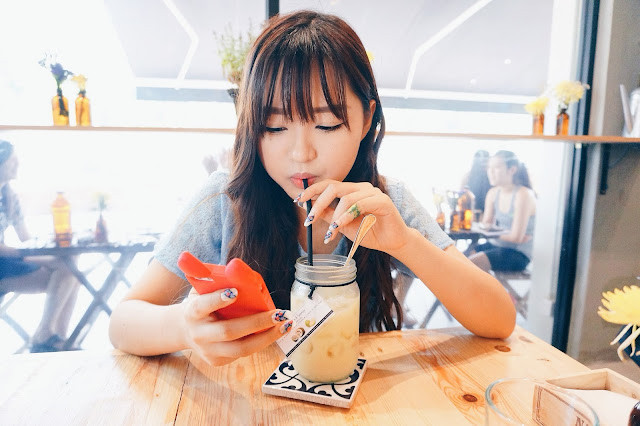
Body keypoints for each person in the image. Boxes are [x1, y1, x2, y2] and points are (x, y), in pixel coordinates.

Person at [109, 10, 515, 364]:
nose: (301, 153)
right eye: (274, 126)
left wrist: (405, 244)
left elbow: (499, 320)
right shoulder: (225, 201)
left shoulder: (384, 204)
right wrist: (183, 327)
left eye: (326, 124)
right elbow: (123, 323)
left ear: (366, 119)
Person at [0, 140, 80, 352]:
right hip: (3, 265)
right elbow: (18, 248)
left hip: (9, 258)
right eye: (12, 161)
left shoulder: (9, 196)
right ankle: (45, 337)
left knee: (71, 265)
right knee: (69, 271)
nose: (17, 165)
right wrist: (25, 254)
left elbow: (25, 238)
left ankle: (56, 338)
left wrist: (51, 243)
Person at [468, 150, 536, 273]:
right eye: (489, 168)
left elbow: (516, 237)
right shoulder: (493, 193)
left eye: (496, 168)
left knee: (469, 264)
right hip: (496, 245)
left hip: (518, 253)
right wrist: (504, 234)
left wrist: (492, 232)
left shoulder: (523, 194)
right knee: (457, 257)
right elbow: (486, 227)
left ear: (512, 170)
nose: (490, 172)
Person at [460, 150, 491, 214]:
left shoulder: (493, 178)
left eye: (485, 161)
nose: (483, 164)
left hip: (488, 212)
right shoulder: (467, 177)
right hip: (470, 212)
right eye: (480, 162)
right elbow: (461, 195)